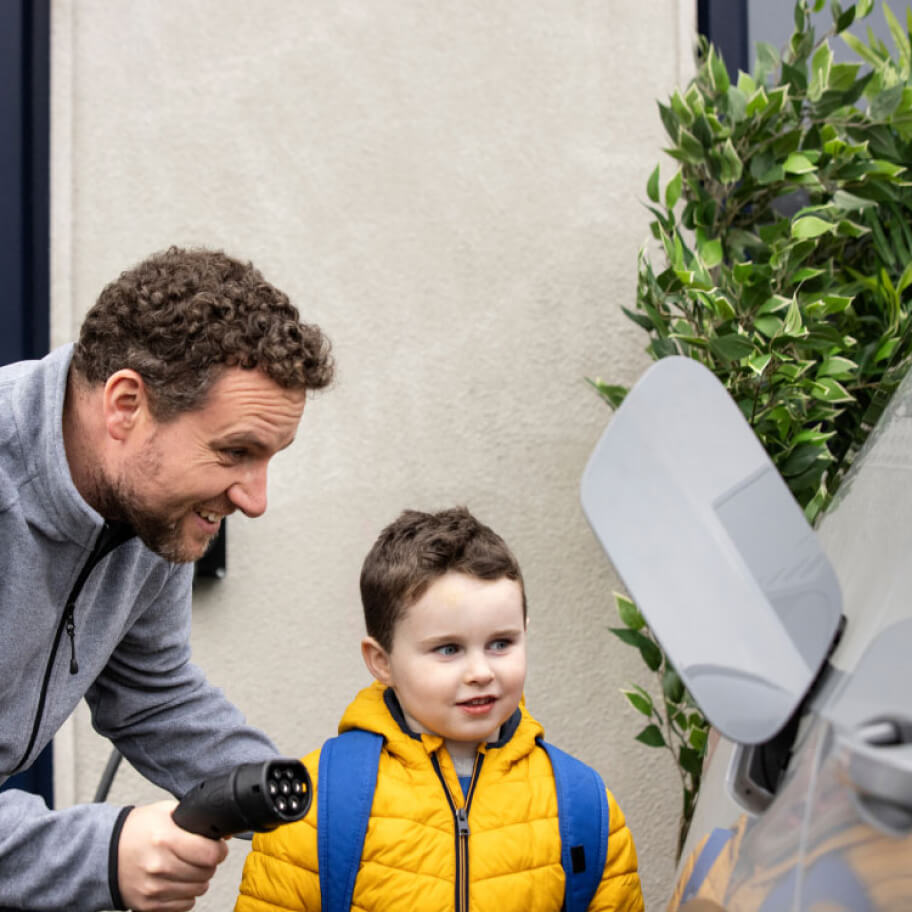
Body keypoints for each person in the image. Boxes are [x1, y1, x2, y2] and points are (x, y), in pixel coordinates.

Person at [0, 246, 334, 912]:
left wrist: (321, 812)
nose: (255, 500)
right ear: (126, 405)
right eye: (235, 451)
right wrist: (104, 853)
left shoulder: (149, 508)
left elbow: (152, 694)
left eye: (269, 458)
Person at [235, 506, 645, 911]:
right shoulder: (318, 802)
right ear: (381, 661)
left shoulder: (582, 804)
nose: (480, 672)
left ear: (526, 633)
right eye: (448, 649)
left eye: (501, 643)